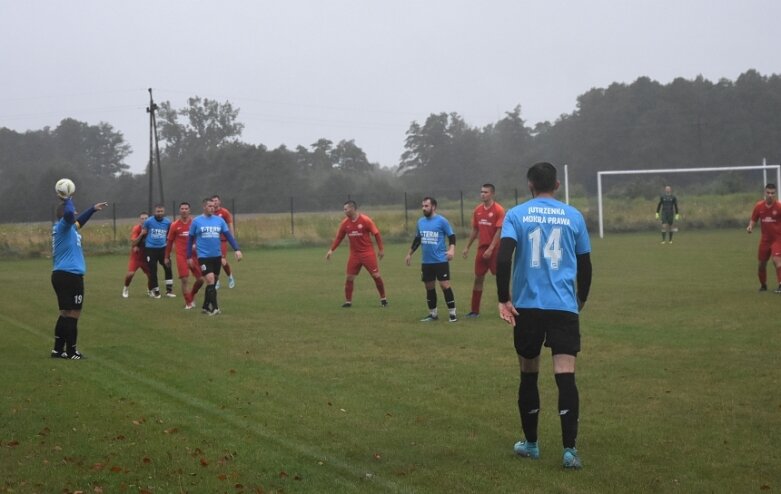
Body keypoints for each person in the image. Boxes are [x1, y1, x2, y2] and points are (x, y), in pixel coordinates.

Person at [496, 162, 592, 470]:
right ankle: (569, 451)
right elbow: (586, 264)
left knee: (529, 372)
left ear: (529, 185)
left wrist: (503, 298)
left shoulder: (516, 214)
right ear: (558, 185)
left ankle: (532, 445)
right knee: (566, 376)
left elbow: (504, 256)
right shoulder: (573, 215)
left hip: (528, 308)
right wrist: (579, 300)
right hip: (563, 306)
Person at [51, 191, 108, 359]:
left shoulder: (67, 229)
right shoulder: (63, 226)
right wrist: (68, 199)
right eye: (73, 210)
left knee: (65, 313)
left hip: (61, 275)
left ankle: (57, 349)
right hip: (70, 276)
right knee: (74, 314)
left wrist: (92, 209)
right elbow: (69, 213)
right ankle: (71, 351)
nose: (75, 212)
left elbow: (79, 221)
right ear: (64, 216)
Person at [325, 200, 388, 307]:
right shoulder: (345, 223)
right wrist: (331, 250)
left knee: (376, 276)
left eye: (346, 209)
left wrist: (381, 249)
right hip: (354, 255)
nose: (344, 211)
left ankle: (383, 299)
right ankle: (348, 302)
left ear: (352, 208)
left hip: (367, 253)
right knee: (349, 277)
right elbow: (339, 237)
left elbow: (376, 234)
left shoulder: (365, 220)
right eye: (344, 209)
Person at [405, 197, 458, 322]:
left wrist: (451, 250)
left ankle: (452, 314)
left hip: (440, 260)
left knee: (445, 285)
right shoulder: (421, 222)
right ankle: (433, 314)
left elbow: (452, 236)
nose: (423, 208)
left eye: (426, 206)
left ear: (433, 207)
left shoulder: (442, 221)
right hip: (426, 261)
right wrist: (409, 254)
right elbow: (418, 239)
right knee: (429, 287)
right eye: (423, 206)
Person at [188, 198, 243, 315]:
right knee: (211, 280)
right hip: (203, 257)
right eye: (209, 206)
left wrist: (237, 249)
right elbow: (190, 240)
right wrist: (188, 257)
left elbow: (228, 236)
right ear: (204, 207)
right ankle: (214, 308)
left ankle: (205, 306)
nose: (212, 208)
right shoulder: (197, 221)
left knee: (213, 281)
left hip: (217, 256)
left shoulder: (219, 221)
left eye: (213, 206)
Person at [462, 183, 505, 318]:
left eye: (485, 192)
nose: (482, 194)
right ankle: (475, 311)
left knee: (501, 280)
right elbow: (475, 230)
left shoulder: (499, 210)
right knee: (478, 278)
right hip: (481, 249)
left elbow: (499, 231)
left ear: (492, 194)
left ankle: (508, 307)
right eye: (481, 192)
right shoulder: (478, 210)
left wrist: (491, 249)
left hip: (495, 250)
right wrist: (467, 247)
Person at [165, 202, 205, 309]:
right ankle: (188, 303)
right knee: (184, 279)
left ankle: (191, 295)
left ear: (189, 210)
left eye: (186, 208)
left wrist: (197, 246)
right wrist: (166, 257)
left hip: (194, 256)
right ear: (179, 211)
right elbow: (169, 242)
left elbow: (201, 238)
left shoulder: (195, 223)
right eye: (182, 208)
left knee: (201, 280)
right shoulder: (174, 225)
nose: (184, 210)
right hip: (181, 255)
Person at [133, 204, 175, 298]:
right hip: (151, 249)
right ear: (154, 212)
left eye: (161, 211)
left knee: (168, 267)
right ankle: (156, 291)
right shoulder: (148, 221)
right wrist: (138, 245)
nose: (159, 213)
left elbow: (170, 234)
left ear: (164, 212)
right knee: (153, 270)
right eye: (157, 211)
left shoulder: (168, 222)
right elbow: (143, 234)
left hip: (163, 248)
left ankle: (169, 290)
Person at [746, 183, 781, 292]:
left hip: (778, 239)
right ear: (764, 193)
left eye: (773, 193)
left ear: (775, 194)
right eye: (768, 193)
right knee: (761, 264)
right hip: (765, 240)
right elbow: (754, 219)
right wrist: (750, 226)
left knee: (777, 261)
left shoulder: (779, 207)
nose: (770, 195)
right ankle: (763, 285)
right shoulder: (759, 206)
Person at [122, 211, 152, 298]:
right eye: (142, 219)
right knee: (130, 274)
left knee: (151, 276)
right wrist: (141, 234)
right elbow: (133, 243)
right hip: (136, 257)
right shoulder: (137, 228)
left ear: (149, 219)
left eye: (146, 218)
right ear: (140, 220)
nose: (144, 220)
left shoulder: (151, 229)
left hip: (146, 257)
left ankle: (150, 290)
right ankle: (125, 288)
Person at [211, 194, 236, 289]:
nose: (214, 202)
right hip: (212, 240)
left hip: (222, 240)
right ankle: (216, 281)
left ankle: (230, 277)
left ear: (219, 202)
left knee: (222, 261)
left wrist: (232, 239)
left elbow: (230, 224)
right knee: (213, 261)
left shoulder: (224, 212)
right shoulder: (209, 213)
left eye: (216, 200)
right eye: (213, 201)